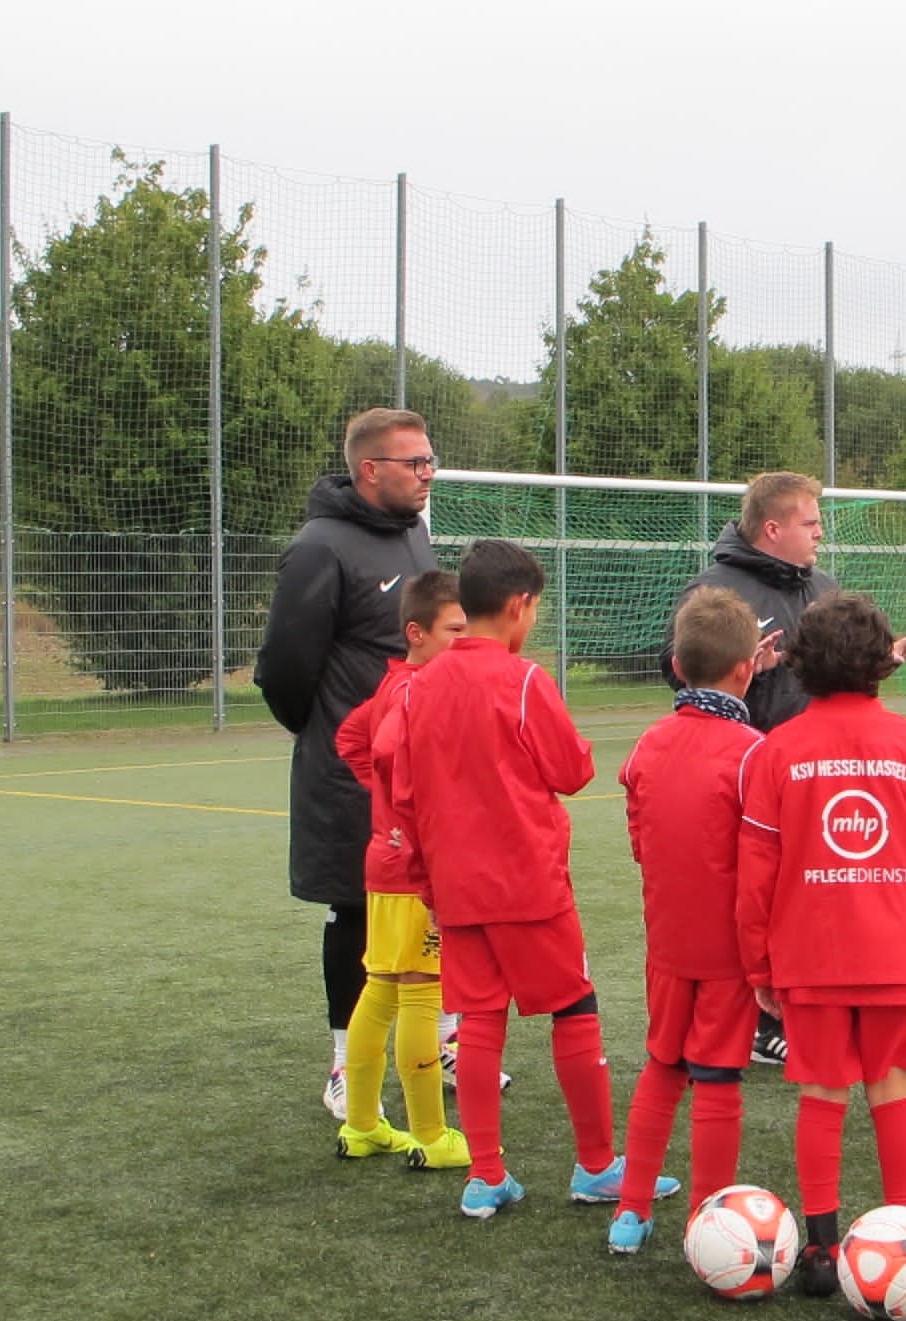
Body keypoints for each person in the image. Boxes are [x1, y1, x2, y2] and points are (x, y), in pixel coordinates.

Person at [385, 539, 677, 1218]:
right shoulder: (523, 681)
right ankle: (596, 1166)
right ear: (519, 606)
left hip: (457, 890)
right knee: (574, 1008)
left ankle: (485, 1175)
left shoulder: (420, 687)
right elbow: (572, 770)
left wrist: (429, 884)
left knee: (479, 1021)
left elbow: (405, 797)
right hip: (528, 884)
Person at [735, 592, 906, 1295]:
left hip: (811, 956)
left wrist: (758, 962)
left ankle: (820, 1247)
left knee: (822, 1092)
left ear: (799, 664)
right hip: (896, 954)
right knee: (891, 1087)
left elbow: (756, 871)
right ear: (882, 664)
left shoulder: (779, 749)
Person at [661, 471, 906, 1068]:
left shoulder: (823, 586)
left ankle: (814, 999)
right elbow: (679, 668)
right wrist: (745, 670)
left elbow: (833, 666)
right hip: (748, 769)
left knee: (814, 890)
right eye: (810, 523)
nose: (820, 534)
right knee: (752, 891)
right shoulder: (715, 589)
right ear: (773, 528)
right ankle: (757, 1021)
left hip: (817, 775)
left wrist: (877, 663)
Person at [255, 407, 442, 1120]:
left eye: (429, 460)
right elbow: (283, 671)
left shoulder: (415, 534)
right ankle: (344, 1064)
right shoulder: (318, 548)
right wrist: (338, 736)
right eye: (414, 463)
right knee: (357, 909)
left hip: (421, 771)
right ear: (369, 469)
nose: (427, 474)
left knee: (433, 900)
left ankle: (437, 1043)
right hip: (352, 773)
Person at [607, 588, 767, 1255]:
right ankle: (709, 1224)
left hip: (667, 942)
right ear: (748, 668)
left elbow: (639, 831)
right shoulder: (752, 752)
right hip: (728, 949)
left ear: (676, 666)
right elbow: (763, 861)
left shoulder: (650, 742)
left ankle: (630, 1213)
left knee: (663, 1065)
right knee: (718, 1077)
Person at [332, 571, 471, 1166]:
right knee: (420, 990)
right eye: (454, 630)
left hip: (385, 859)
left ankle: (362, 1126)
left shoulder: (395, 683)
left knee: (382, 987)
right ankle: (432, 1135)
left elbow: (351, 737)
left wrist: (385, 799)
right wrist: (404, 805)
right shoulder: (420, 691)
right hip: (413, 864)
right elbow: (380, 748)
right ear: (417, 633)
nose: (464, 641)